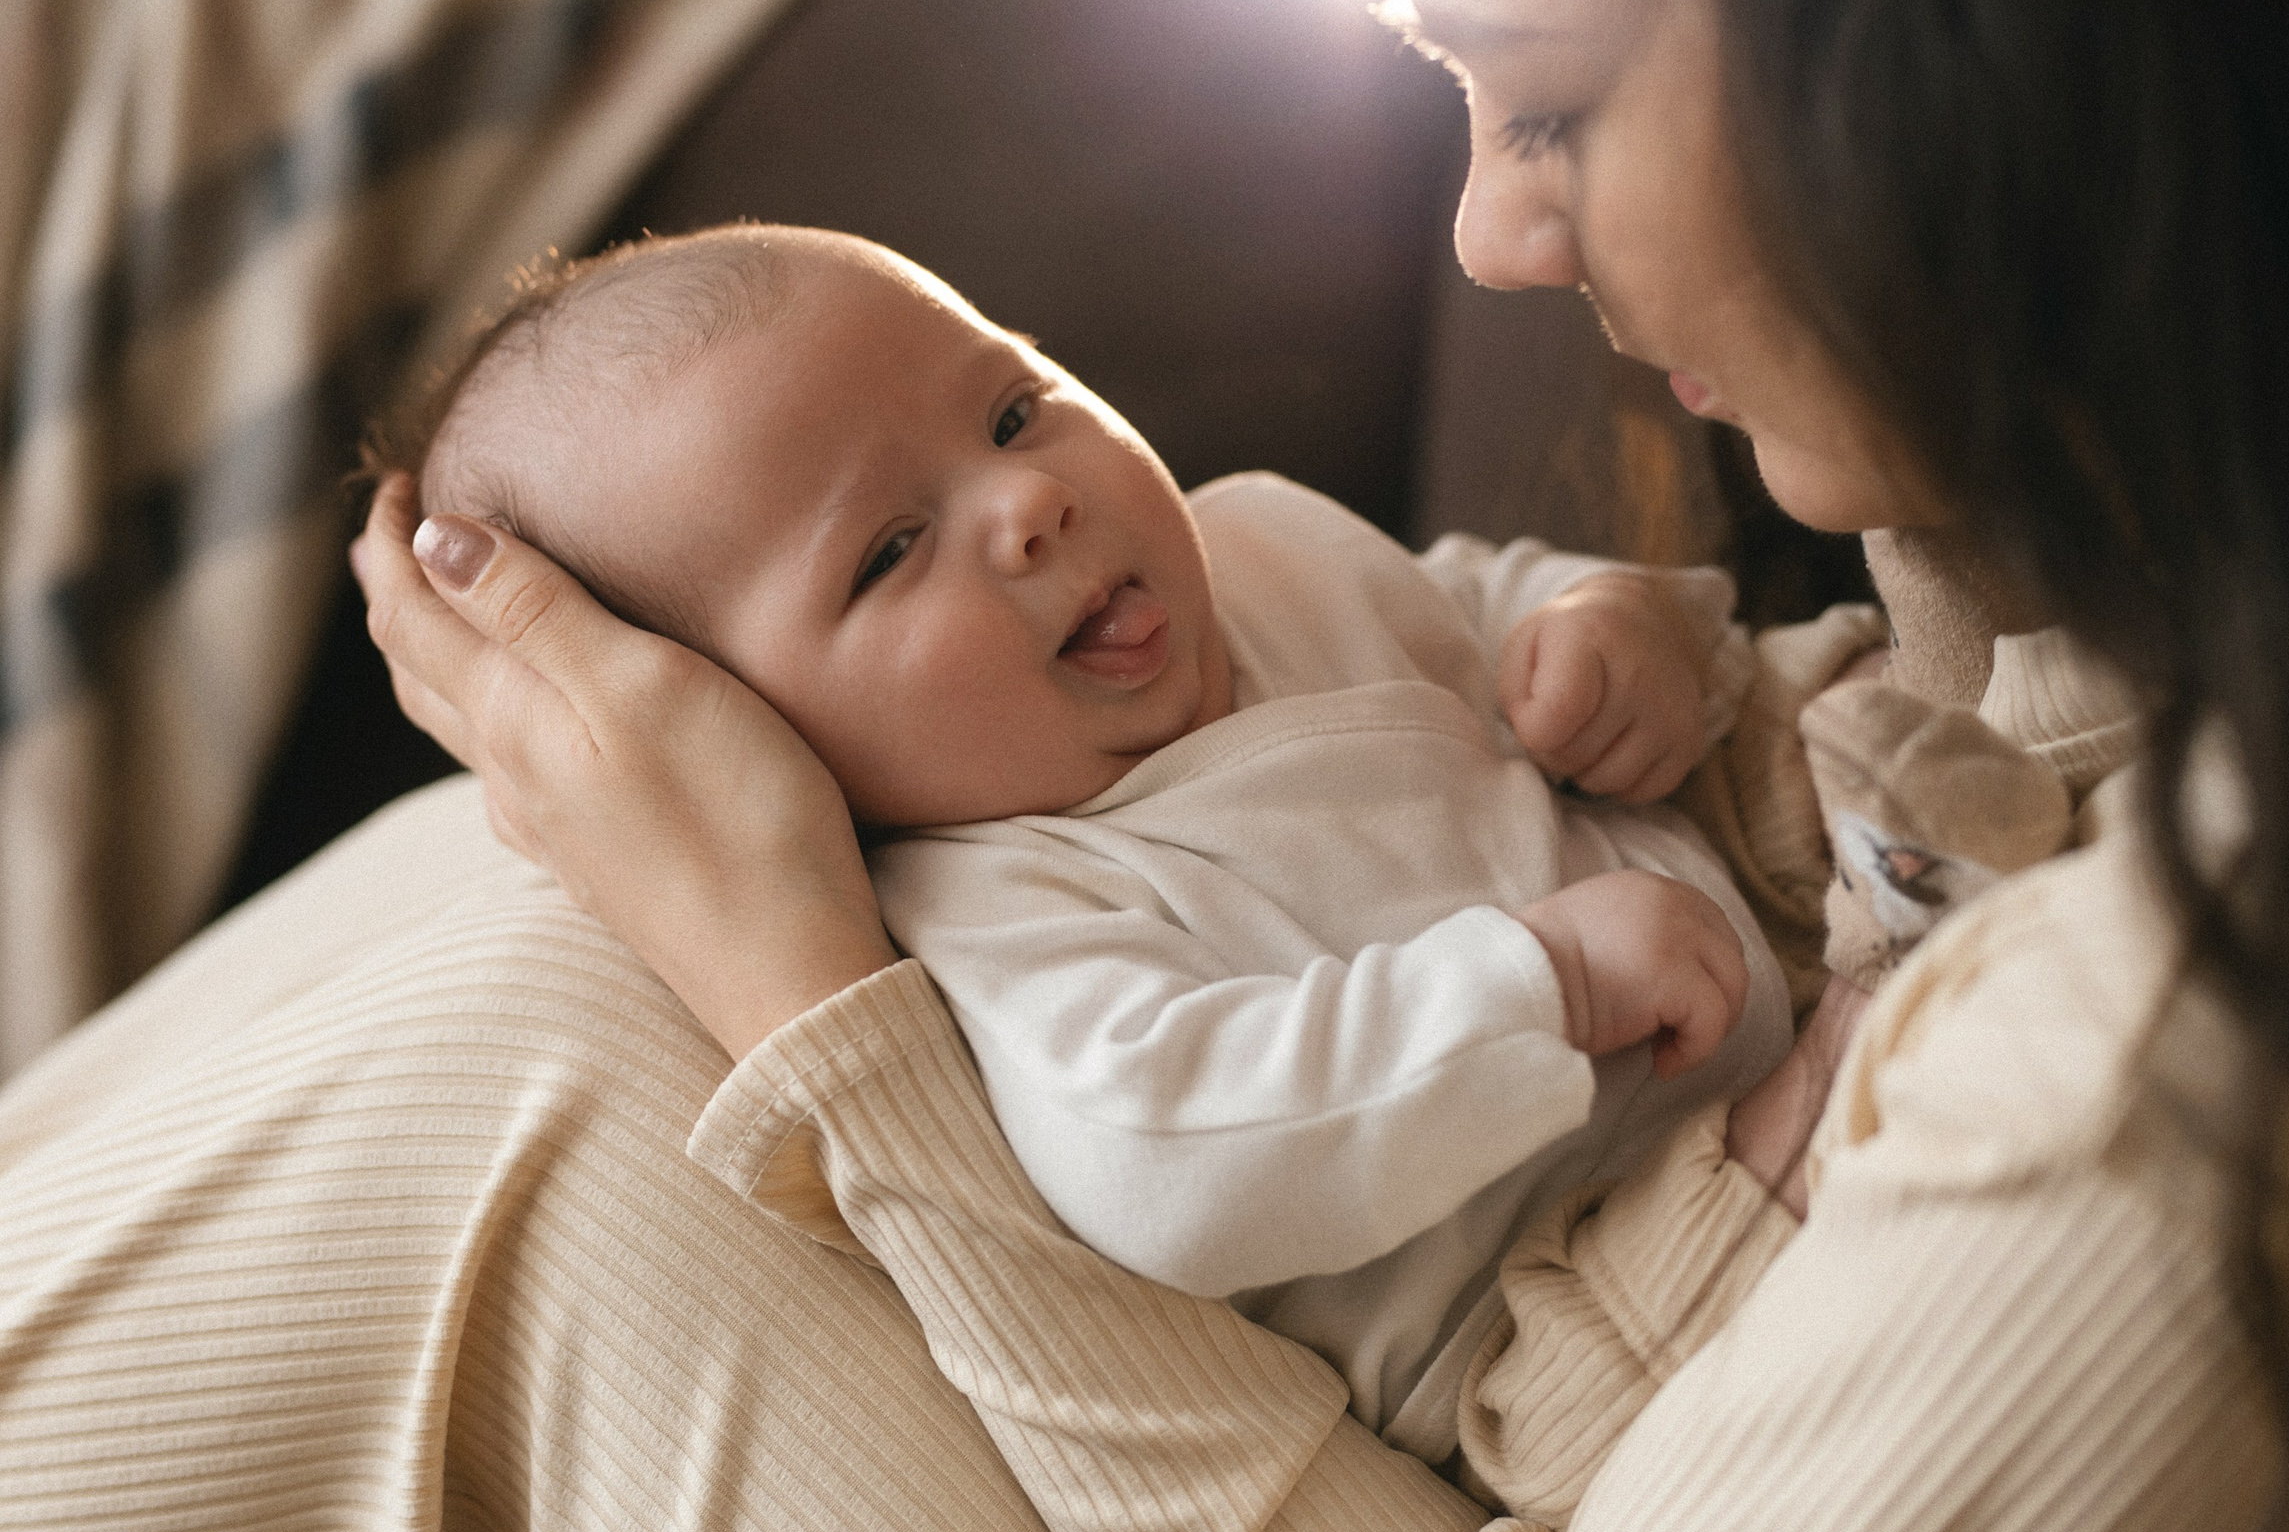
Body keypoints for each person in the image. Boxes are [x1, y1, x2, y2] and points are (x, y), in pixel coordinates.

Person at [3, 0, 2289, 1532]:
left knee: (551, 1046)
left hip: (1465, 1454)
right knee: (534, 939)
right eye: (882, 551)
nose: (1489, 233)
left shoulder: (2189, 1048)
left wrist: (818, 1013)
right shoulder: (2096, 547)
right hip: (1502, 1247)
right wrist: (1656, 663)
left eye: (1547, 96)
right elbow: (1721, 733)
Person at [367, 222, 1792, 1449]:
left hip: (1757, 997)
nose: (1029, 501)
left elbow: (1477, 600)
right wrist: (1546, 989)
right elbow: (1171, 1158)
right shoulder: (997, 901)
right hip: (1578, 1313)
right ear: (746, 737)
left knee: (1834, 730)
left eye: (1012, 410)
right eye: (887, 551)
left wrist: (1613, 629)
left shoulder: (1262, 543)